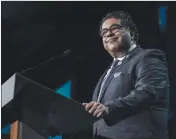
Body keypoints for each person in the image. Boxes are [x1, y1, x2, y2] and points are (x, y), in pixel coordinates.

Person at [83, 11, 170, 139]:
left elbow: (148, 91)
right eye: (104, 32)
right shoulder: (107, 72)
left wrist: (109, 109)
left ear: (132, 33)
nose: (108, 34)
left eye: (114, 28)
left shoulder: (148, 57)